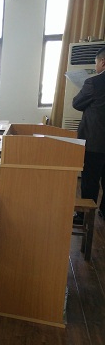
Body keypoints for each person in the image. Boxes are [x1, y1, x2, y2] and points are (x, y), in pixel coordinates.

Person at [73, 47, 105, 221]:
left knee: (90, 180)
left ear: (102, 62)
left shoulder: (93, 83)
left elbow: (77, 103)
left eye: (95, 63)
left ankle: (84, 216)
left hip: (95, 141)